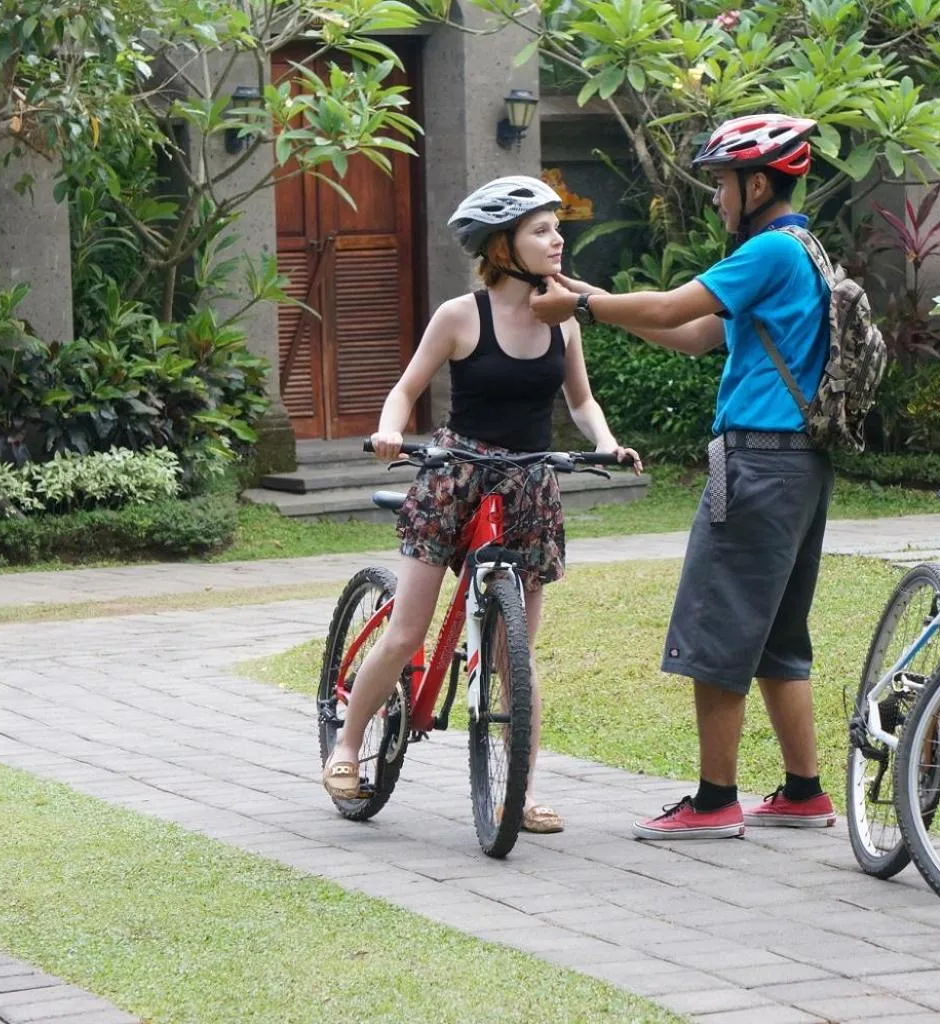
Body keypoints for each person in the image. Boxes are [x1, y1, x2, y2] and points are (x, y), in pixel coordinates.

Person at [530, 114, 835, 839]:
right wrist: (595, 302)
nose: (716, 198)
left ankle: (713, 801)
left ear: (758, 184)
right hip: (800, 464)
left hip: (759, 462)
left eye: (722, 184)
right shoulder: (805, 251)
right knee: (776, 637)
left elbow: (671, 304)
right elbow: (693, 332)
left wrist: (580, 306)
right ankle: (803, 791)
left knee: (718, 624)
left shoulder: (766, 250)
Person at [321, 175, 641, 835]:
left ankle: (518, 793)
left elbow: (580, 403)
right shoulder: (461, 315)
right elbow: (406, 388)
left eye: (557, 228)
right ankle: (348, 748)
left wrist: (608, 445)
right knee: (407, 630)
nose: (557, 240)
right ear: (504, 245)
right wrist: (388, 431)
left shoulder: (564, 319)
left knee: (512, 658)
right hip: (454, 474)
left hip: (528, 482)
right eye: (541, 230)